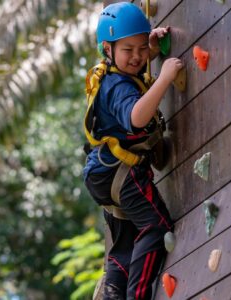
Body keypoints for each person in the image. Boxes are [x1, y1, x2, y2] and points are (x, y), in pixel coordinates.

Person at [83, 2, 183, 299]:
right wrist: (165, 77)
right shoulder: (118, 87)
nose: (138, 57)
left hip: (103, 173)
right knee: (156, 227)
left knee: (125, 244)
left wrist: (150, 47)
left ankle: (113, 293)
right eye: (129, 50)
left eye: (141, 48)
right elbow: (136, 117)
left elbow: (134, 66)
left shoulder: (110, 75)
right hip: (122, 173)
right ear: (107, 49)